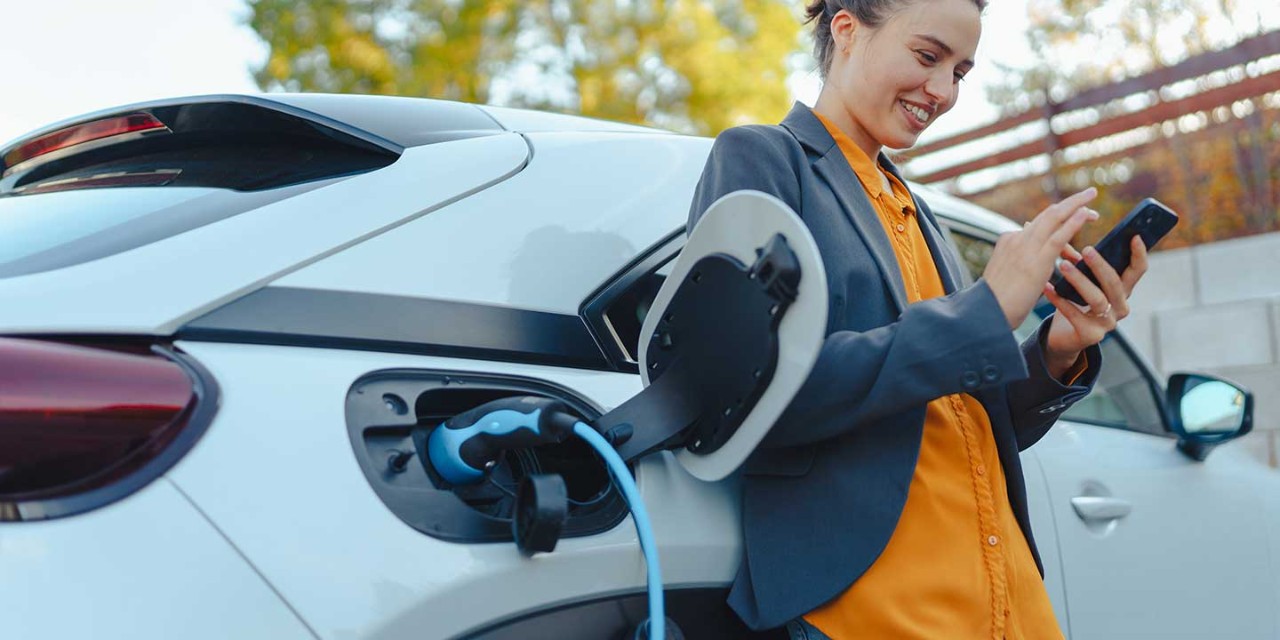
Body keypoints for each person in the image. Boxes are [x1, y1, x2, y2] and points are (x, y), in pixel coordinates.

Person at [685, 0, 1150, 638]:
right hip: (874, 611)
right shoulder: (763, 160)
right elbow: (750, 395)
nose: (943, 91)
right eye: (928, 57)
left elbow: (963, 418)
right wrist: (983, 311)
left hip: (1005, 602)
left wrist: (1059, 349)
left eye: (960, 72)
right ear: (846, 30)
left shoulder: (917, 210)